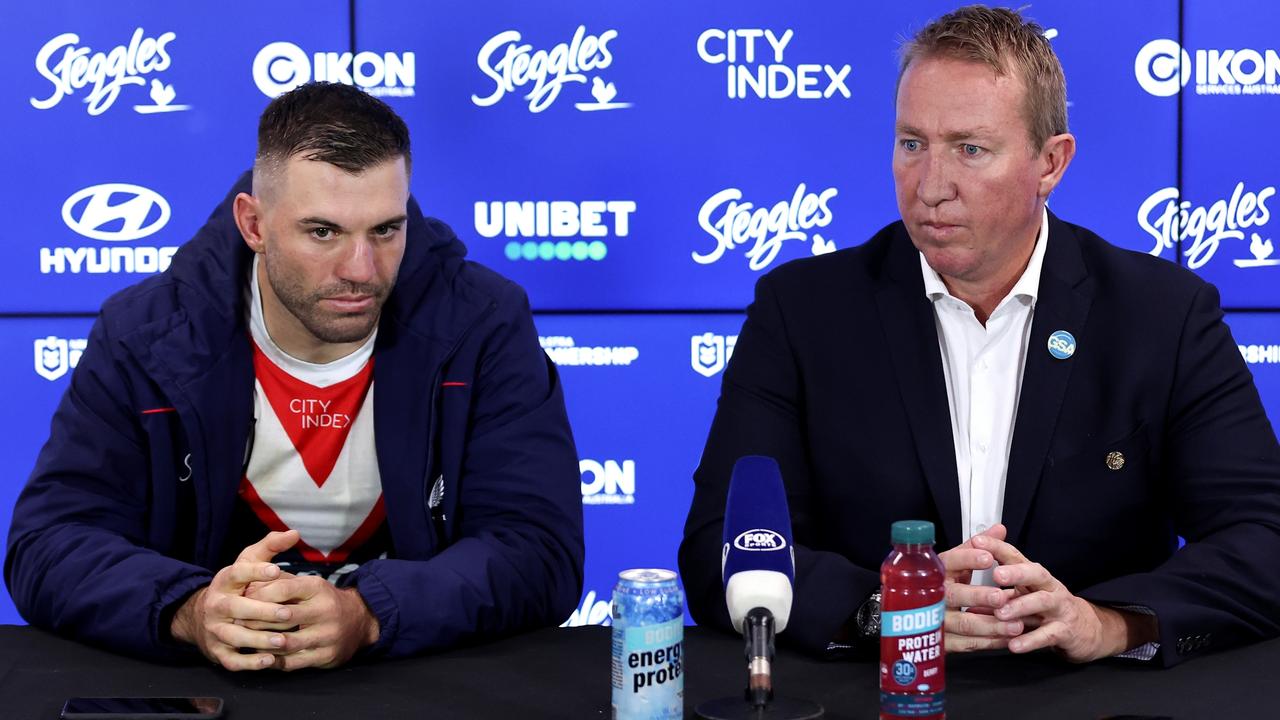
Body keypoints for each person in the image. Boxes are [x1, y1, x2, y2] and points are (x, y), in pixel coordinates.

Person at [680, 5, 1280, 666]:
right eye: (912, 144)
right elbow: (723, 545)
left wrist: (1108, 623)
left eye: (970, 149)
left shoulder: (1162, 315)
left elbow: (1264, 539)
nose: (931, 187)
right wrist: (883, 609)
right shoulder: (801, 311)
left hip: (1088, 701)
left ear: (1050, 164)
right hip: (875, 696)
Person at [6, 82, 584, 670]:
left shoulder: (484, 322)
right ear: (253, 225)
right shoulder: (143, 332)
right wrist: (191, 608)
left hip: (414, 683)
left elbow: (539, 552)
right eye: (323, 232)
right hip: (218, 687)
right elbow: (48, 544)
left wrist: (370, 614)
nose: (361, 270)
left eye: (386, 229)